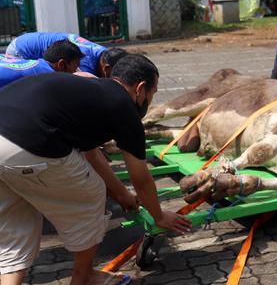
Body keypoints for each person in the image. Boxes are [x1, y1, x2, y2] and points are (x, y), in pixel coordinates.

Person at [0, 54, 191, 285]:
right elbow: (141, 178)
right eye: (153, 92)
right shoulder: (124, 108)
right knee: (92, 195)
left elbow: (91, 153)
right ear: (140, 89)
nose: (151, 98)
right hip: (29, 142)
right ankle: (85, 276)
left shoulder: (91, 90)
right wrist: (159, 216)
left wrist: (121, 193)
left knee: (17, 228)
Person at [5, 31, 127, 77]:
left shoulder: (104, 53)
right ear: (106, 69)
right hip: (20, 51)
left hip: (27, 40)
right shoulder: (84, 62)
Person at [0, 40, 83, 88]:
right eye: (75, 68)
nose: (76, 72)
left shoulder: (39, 65)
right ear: (61, 65)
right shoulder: (50, 78)